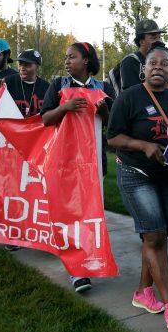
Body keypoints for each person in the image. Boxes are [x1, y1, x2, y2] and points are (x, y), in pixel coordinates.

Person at [107, 41, 168, 331]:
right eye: (153, 63)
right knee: (154, 236)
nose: (158, 67)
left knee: (154, 236)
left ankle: (143, 292)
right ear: (143, 70)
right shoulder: (129, 97)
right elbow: (113, 138)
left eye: (164, 64)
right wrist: (143, 145)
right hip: (135, 172)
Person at [40, 41, 115, 293]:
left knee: (92, 215)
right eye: (65, 58)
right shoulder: (59, 86)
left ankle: (90, 260)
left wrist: (104, 112)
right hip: (65, 163)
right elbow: (45, 119)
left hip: (94, 164)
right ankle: (77, 271)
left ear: (86, 60)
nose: (67, 61)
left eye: (72, 57)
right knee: (70, 216)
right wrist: (65, 107)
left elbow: (113, 127)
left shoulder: (103, 88)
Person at [0, 49, 50, 117]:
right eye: (20, 64)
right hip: (12, 126)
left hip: (36, 127)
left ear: (37, 67)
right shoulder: (8, 82)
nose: (22, 68)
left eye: (27, 65)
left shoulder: (46, 87)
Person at [118, 19, 166, 91]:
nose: (159, 42)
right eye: (154, 38)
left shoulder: (164, 62)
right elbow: (134, 96)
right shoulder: (130, 62)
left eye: (159, 38)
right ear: (141, 41)